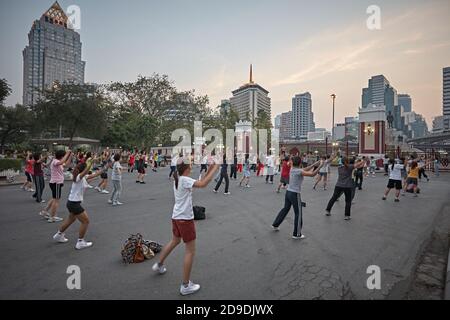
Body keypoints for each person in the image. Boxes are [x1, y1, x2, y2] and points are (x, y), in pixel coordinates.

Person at [152, 157, 219, 296]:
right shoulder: (184, 179)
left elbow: (201, 182)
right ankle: (185, 285)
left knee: (175, 241)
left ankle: (159, 264)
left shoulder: (179, 178)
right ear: (188, 168)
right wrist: (216, 167)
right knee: (190, 251)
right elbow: (204, 184)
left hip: (176, 216)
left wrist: (211, 168)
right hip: (185, 219)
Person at [53, 161, 103, 250]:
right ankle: (80, 242)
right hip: (74, 204)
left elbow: (94, 175)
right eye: (86, 169)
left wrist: (106, 167)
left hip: (71, 203)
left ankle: (58, 235)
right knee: (85, 221)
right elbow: (86, 172)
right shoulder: (78, 177)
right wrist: (90, 163)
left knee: (71, 219)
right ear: (83, 170)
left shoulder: (82, 177)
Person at [272, 156, 323, 239]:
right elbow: (312, 174)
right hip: (295, 194)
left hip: (288, 192)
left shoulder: (292, 169)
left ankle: (275, 224)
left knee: (285, 209)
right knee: (298, 213)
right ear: (300, 163)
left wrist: (314, 164)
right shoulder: (299, 171)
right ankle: (296, 234)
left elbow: (305, 169)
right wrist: (320, 166)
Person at [41, 149, 72, 222]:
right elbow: (62, 162)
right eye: (64, 156)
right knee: (56, 201)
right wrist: (67, 154)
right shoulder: (55, 161)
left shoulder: (57, 162)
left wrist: (70, 156)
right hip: (56, 183)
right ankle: (52, 217)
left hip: (55, 183)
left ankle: (45, 211)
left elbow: (66, 164)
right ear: (62, 156)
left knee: (54, 199)